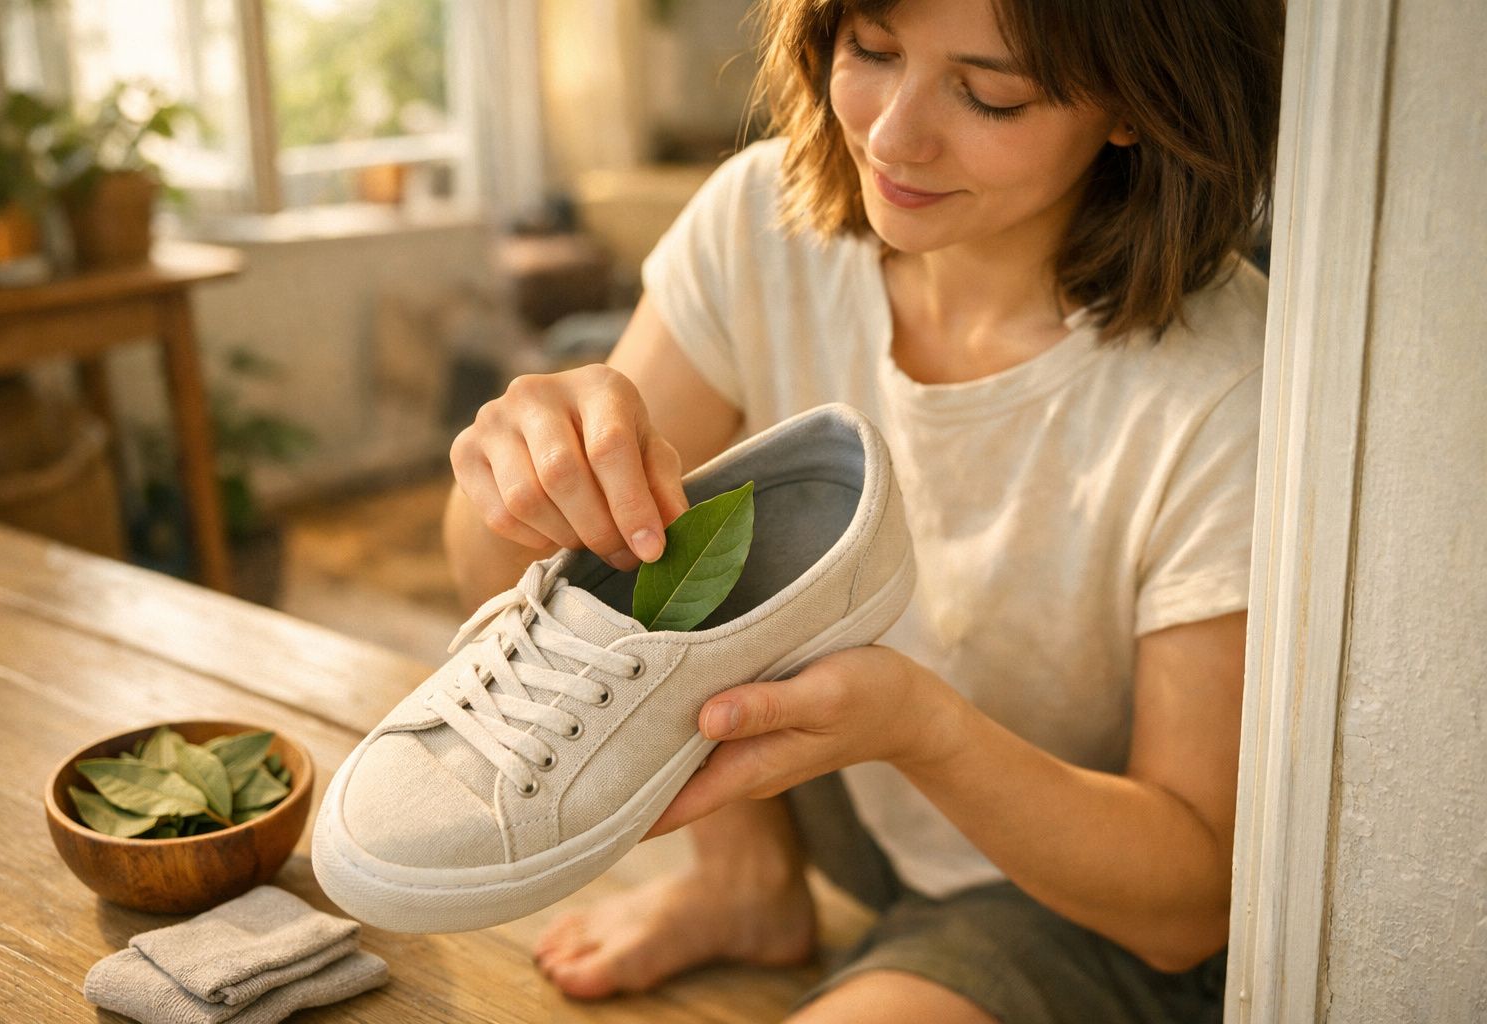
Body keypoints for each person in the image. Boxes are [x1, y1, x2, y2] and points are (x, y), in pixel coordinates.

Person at [443, 0, 1282, 1019]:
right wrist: (526, 462)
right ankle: (745, 879)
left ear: (1135, 104)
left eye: (991, 95)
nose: (892, 136)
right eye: (871, 51)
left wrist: (919, 727)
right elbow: (507, 578)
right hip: (831, 798)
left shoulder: (1228, 387)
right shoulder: (765, 219)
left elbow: (1191, 903)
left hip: (1079, 895)